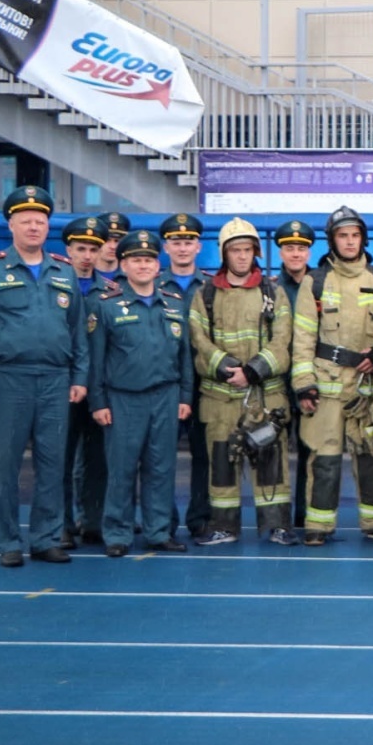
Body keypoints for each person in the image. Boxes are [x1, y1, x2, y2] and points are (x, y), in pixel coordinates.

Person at [0, 185, 87, 567]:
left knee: (53, 463)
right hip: (7, 379)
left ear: (48, 227)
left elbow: (78, 330)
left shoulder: (64, 271)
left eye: (41, 221)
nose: (34, 227)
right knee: (6, 465)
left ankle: (46, 538)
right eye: (26, 221)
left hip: (55, 380)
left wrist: (79, 376)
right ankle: (9, 541)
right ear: (10, 225)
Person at [289, 207, 373, 546]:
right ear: (332, 241)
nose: (349, 241)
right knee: (324, 458)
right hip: (326, 388)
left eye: (354, 235)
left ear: (363, 238)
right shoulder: (315, 282)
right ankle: (318, 526)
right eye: (342, 236)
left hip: (366, 389)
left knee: (371, 455)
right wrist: (304, 383)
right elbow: (303, 338)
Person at [87, 229, 193, 556]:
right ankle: (117, 535)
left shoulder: (174, 304)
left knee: (161, 468)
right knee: (121, 469)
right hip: (123, 399)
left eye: (148, 259)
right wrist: (98, 401)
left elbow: (185, 356)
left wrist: (185, 397)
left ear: (158, 264)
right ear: (123, 264)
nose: (143, 265)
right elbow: (96, 359)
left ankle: (158, 531)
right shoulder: (107, 305)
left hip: (166, 396)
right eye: (136, 260)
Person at [190, 218, 295, 546]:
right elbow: (199, 339)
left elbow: (283, 341)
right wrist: (228, 368)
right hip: (220, 400)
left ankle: (277, 526)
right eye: (235, 250)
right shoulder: (204, 295)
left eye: (247, 250)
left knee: (271, 465)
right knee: (221, 468)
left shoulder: (273, 293)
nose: (241, 256)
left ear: (256, 253)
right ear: (224, 253)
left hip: (264, 398)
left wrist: (251, 372)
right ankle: (224, 527)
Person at [59, 215, 113, 549]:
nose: (87, 255)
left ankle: (93, 522)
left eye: (94, 248)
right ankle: (62, 524)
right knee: (59, 460)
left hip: (98, 387)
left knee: (98, 459)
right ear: (68, 249)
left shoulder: (109, 291)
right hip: (61, 386)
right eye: (81, 248)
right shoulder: (55, 283)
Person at [157, 212, 211, 541]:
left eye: (188, 241)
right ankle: (162, 522)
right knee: (160, 457)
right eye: (176, 242)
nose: (182, 247)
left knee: (204, 456)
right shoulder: (150, 283)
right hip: (166, 381)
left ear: (198, 247)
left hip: (205, 383)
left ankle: (200, 519)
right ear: (165, 247)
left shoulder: (210, 287)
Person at [271, 219, 315, 528]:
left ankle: (305, 515)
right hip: (278, 384)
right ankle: (279, 517)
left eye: (301, 248)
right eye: (289, 248)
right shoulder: (271, 289)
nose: (295, 254)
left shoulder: (321, 287)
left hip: (311, 382)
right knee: (274, 455)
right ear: (281, 252)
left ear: (309, 252)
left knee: (310, 453)